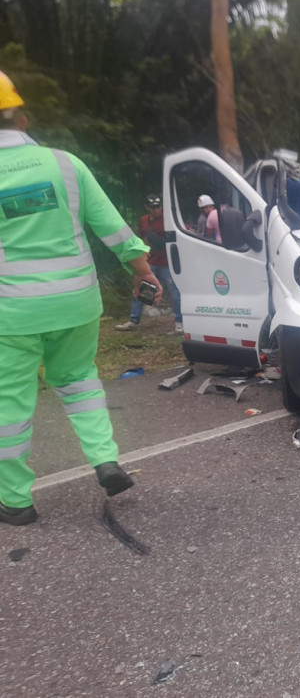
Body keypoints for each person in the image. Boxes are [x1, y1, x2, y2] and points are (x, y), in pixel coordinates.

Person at [0, 71, 160, 525]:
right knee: (79, 381)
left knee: (9, 404)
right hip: (77, 302)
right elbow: (114, 229)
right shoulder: (66, 164)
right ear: (23, 119)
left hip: (13, 313)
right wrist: (143, 272)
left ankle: (15, 502)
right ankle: (105, 460)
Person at [114, 194, 183, 334]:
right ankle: (134, 321)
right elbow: (140, 239)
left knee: (175, 293)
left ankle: (179, 323)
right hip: (152, 260)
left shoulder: (168, 219)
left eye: (158, 207)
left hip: (167, 262)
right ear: (147, 207)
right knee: (142, 290)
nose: (156, 210)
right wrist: (143, 257)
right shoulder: (144, 221)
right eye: (153, 207)